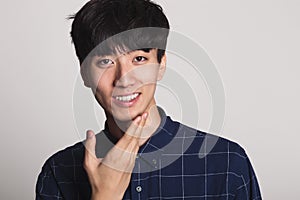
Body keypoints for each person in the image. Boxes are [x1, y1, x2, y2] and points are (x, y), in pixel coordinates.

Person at [36, 0, 262, 199]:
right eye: (105, 61)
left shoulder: (227, 163)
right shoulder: (59, 172)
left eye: (139, 59)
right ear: (85, 73)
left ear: (161, 65)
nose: (124, 79)